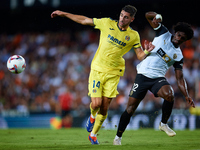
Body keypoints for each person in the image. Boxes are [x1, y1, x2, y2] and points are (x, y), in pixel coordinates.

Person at [51, 5, 155, 145]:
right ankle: (92, 116)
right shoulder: (106, 23)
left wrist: (147, 51)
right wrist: (64, 13)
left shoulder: (133, 35)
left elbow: (140, 55)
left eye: (126, 17)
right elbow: (84, 20)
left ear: (132, 19)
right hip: (98, 70)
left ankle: (93, 135)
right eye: (121, 15)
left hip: (114, 73)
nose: (122, 19)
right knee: (96, 104)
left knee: (105, 107)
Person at [113, 11, 196, 145]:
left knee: (170, 95)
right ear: (176, 33)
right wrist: (156, 17)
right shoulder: (163, 32)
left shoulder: (178, 56)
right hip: (142, 75)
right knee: (130, 109)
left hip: (157, 78)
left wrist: (186, 95)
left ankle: (163, 124)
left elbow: (180, 79)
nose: (179, 38)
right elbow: (147, 15)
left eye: (183, 38)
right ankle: (118, 137)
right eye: (179, 35)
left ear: (185, 41)